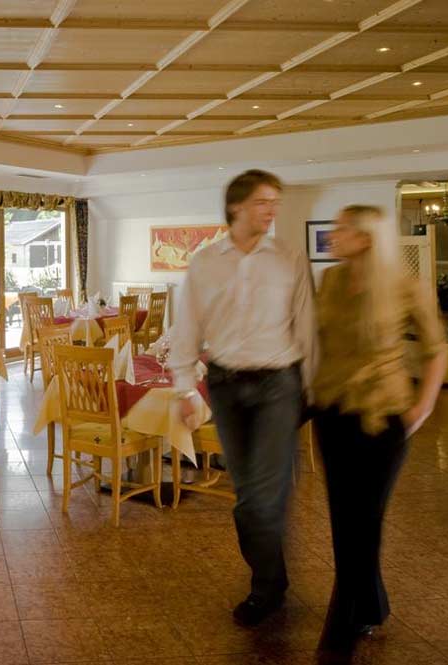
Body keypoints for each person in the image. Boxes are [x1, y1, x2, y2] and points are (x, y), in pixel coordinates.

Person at [170, 169, 317, 626]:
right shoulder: (205, 262)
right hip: (226, 385)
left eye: (275, 202)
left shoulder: (289, 258)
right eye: (262, 202)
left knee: (265, 496)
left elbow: (306, 324)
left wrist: (312, 389)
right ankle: (271, 576)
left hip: (278, 384)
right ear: (236, 206)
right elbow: (187, 325)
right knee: (247, 496)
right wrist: (183, 387)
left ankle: (266, 588)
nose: (272, 210)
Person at [313, 205, 447, 656]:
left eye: (342, 229)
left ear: (366, 238)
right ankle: (371, 605)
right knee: (343, 519)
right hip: (333, 413)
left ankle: (341, 629)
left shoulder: (405, 286)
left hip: (381, 417)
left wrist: (422, 407)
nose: (333, 235)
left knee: (365, 522)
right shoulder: (330, 281)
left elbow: (435, 348)